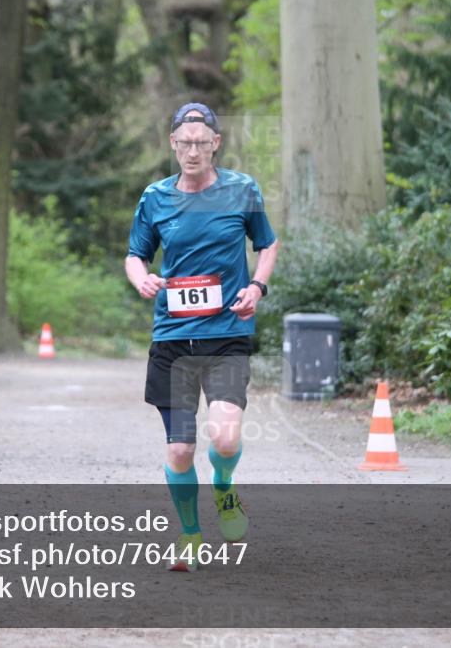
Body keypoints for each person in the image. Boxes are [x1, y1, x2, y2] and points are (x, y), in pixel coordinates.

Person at [124, 102, 279, 572]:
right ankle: (190, 534)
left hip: (227, 332)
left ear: (215, 143)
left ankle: (224, 487)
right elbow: (135, 254)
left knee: (226, 439)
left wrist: (256, 286)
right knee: (179, 448)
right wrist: (141, 279)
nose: (192, 151)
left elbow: (266, 244)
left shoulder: (241, 190)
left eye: (201, 142)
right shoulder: (155, 197)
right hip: (173, 338)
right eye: (184, 142)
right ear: (173, 144)